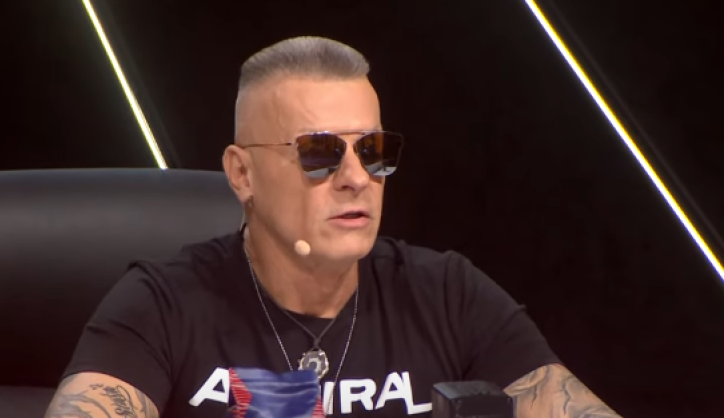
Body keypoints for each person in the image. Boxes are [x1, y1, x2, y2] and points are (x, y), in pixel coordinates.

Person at [44, 36, 622, 418]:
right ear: (242, 174)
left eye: (372, 151)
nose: (356, 178)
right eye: (319, 153)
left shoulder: (449, 294)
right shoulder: (162, 304)